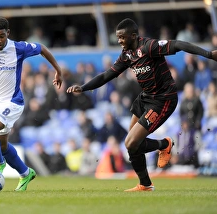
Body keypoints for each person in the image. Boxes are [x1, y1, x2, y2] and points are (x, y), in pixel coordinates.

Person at [66, 18, 217, 191]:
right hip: (145, 98)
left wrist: (208, 55)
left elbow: (178, 44)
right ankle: (145, 183)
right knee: (131, 144)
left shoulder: (149, 47)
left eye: (122, 37)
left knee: (131, 142)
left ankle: (164, 145)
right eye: (118, 38)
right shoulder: (127, 55)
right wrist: (83, 87)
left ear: (134, 36)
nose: (120, 41)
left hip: (163, 100)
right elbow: (106, 75)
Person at [0, 17, 62, 191]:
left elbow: (42, 48)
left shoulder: (18, 48)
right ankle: (26, 173)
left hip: (13, 101)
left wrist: (58, 70)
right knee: (2, 146)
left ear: (7, 33)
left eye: (1, 36)